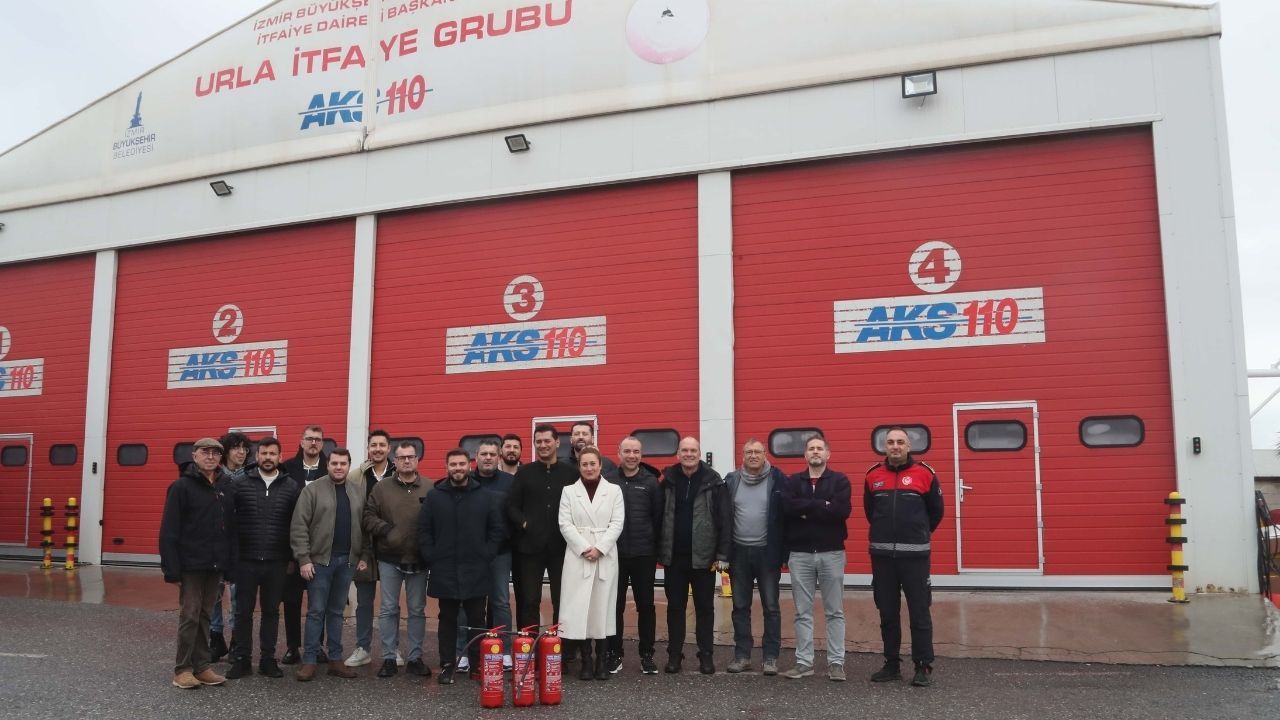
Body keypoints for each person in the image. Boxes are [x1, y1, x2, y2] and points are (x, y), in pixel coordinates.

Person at [864, 427, 944, 687]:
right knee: (887, 613)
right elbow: (870, 512)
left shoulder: (925, 474)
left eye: (900, 442)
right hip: (882, 558)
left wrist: (918, 533)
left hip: (915, 558)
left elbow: (936, 512)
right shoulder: (873, 475)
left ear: (909, 446)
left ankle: (923, 665)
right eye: (890, 442)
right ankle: (891, 665)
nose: (895, 446)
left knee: (919, 613)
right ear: (885, 447)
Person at [419, 448, 504, 684]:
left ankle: (477, 665)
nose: (457, 468)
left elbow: (496, 530)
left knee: (477, 620)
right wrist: (431, 556)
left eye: (461, 464)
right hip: (444, 569)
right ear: (447, 467)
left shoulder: (485, 496)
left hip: (476, 569)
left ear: (469, 465)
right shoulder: (434, 496)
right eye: (453, 464)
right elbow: (424, 530)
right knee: (447, 619)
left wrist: (487, 554)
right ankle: (447, 665)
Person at [158, 437, 236, 690]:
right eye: (205, 452)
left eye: (215, 453)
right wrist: (172, 570)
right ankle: (182, 669)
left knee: (205, 616)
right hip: (190, 565)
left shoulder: (225, 487)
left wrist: (229, 565)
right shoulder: (181, 487)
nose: (210, 457)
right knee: (190, 616)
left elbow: (229, 529)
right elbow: (169, 531)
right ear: (194, 455)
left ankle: (201, 666)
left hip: (215, 565)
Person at [290, 449, 367, 681]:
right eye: (334, 463)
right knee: (316, 612)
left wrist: (363, 554)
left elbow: (364, 526)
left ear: (349, 465)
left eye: (343, 463)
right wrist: (304, 559)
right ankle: (309, 661)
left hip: (347, 562)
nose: (339, 467)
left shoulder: (357, 491)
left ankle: (335, 659)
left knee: (336, 612)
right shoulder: (312, 490)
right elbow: (299, 526)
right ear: (328, 465)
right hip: (320, 562)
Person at [225, 438, 300, 680]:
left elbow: (296, 525)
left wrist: (292, 558)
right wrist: (231, 557)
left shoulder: (291, 486)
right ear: (257, 456)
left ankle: (268, 660)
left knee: (271, 612)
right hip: (245, 561)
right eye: (264, 453)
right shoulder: (239, 483)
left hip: (277, 561)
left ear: (280, 456)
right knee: (243, 612)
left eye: (272, 453)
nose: (268, 457)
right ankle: (242, 660)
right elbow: (228, 522)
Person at [780, 435, 852, 681]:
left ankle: (836, 663)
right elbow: (787, 508)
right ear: (805, 455)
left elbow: (841, 511)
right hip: (800, 555)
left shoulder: (840, 480)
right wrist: (823, 505)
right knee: (802, 611)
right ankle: (804, 662)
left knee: (835, 611)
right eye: (811, 448)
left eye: (819, 448)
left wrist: (806, 509)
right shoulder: (793, 481)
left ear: (827, 454)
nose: (815, 452)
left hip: (831, 553)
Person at [658, 437, 730, 675]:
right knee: (675, 608)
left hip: (704, 558)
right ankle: (674, 655)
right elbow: (659, 516)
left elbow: (725, 519)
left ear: (699, 454)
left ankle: (706, 656)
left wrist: (722, 553)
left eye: (693, 450)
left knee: (705, 608)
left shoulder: (714, 481)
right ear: (678, 454)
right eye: (684, 450)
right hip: (674, 558)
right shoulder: (667, 481)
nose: (689, 454)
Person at [364, 441, 433, 678]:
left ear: (417, 460)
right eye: (402, 457)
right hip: (389, 558)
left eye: (410, 457)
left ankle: (415, 658)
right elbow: (368, 516)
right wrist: (386, 530)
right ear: (395, 461)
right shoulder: (381, 488)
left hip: (419, 559)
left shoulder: (430, 488)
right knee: (388, 609)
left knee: (417, 610)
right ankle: (389, 658)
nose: (406, 461)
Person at [558, 447, 625, 681]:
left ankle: (601, 661)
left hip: (605, 555)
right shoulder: (569, 492)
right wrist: (585, 547)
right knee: (581, 608)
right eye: (584, 464)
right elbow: (565, 523)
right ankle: (586, 660)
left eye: (592, 464)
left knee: (602, 606)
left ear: (600, 465)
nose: (589, 468)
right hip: (578, 556)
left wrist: (600, 548)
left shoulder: (614, 491)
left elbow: (617, 523)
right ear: (579, 466)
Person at [724, 438, 787, 676]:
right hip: (738, 553)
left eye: (757, 452)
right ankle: (742, 656)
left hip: (767, 553)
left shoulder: (778, 479)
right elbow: (724, 516)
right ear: (742, 456)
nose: (753, 455)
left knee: (771, 606)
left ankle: (770, 657)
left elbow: (786, 518)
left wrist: (784, 552)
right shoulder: (732, 480)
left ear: (765, 455)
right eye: (748, 452)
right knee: (740, 607)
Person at [507, 425, 577, 630]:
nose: (543, 445)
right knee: (529, 600)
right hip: (530, 549)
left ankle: (560, 644)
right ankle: (529, 644)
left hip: (561, 549)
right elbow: (511, 506)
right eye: (538, 441)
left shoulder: (571, 474)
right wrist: (525, 523)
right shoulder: (524, 473)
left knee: (561, 600)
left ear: (557, 442)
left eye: (547, 441)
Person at [604, 436, 663, 675]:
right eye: (627, 451)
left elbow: (658, 519)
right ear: (619, 453)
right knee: (614, 606)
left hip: (643, 554)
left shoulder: (651, 483)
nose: (631, 456)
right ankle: (614, 653)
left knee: (646, 606)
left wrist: (655, 548)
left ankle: (647, 655)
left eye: (636, 452)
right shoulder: (608, 481)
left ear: (641, 454)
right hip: (614, 555)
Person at [455, 439, 515, 673]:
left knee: (500, 601)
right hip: (471, 553)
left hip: (501, 552)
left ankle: (505, 650)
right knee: (466, 602)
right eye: (483, 454)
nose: (488, 457)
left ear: (499, 457)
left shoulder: (509, 482)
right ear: (476, 457)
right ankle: (464, 651)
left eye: (492, 454)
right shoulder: (465, 481)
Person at [345, 429, 393, 669]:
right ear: (368, 448)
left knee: (390, 604)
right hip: (364, 547)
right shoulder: (356, 476)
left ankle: (392, 650)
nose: (377, 449)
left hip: (391, 546)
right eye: (373, 445)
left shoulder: (398, 473)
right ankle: (362, 648)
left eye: (382, 445)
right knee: (364, 602)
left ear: (388, 448)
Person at [281, 425, 329, 664]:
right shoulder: (287, 468)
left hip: (321, 546)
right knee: (291, 600)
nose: (313, 443)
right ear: (301, 442)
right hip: (292, 546)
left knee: (318, 602)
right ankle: (292, 647)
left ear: (322, 443)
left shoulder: (330, 468)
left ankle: (316, 645)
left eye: (317, 439)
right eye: (309, 439)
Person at [209, 430, 251, 663]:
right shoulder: (214, 476)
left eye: (244, 448)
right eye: (236, 448)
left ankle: (236, 640)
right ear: (225, 451)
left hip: (241, 544)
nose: (241, 452)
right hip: (216, 544)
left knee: (237, 595)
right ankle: (216, 638)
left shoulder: (251, 476)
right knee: (213, 593)